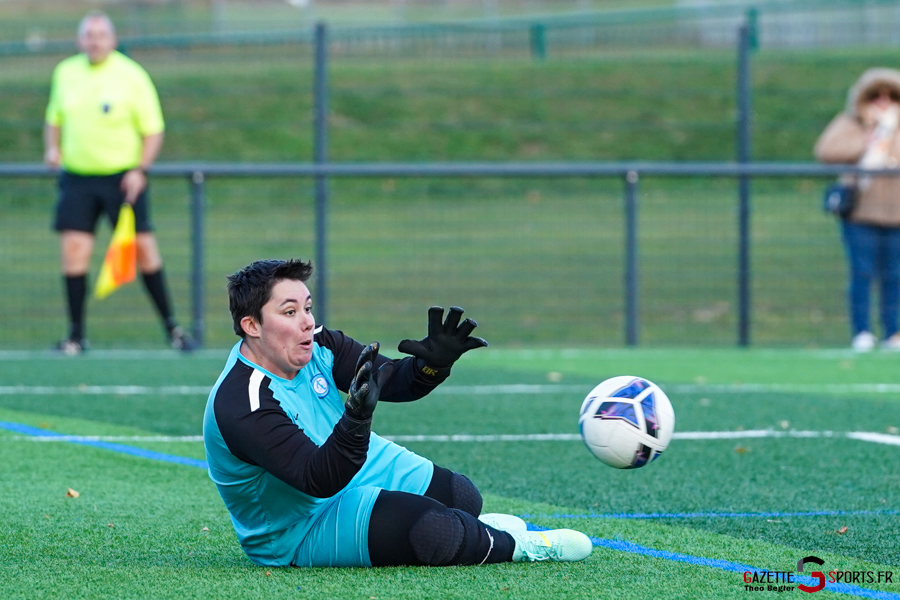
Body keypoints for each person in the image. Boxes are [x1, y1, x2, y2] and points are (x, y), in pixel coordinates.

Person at [202, 258, 593, 568]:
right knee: (433, 531)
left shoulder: (321, 344)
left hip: (347, 463)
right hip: (300, 525)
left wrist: (432, 365)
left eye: (307, 307)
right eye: (289, 312)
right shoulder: (242, 402)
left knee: (462, 496)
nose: (307, 321)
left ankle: (472, 526)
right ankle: (523, 546)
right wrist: (356, 419)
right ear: (251, 325)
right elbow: (318, 479)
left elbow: (395, 381)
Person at [44, 11, 193, 355]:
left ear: (112, 40)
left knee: (143, 250)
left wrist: (140, 169)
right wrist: (52, 148)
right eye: (89, 35)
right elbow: (54, 118)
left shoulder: (131, 75)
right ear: (80, 40)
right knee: (74, 252)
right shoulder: (65, 72)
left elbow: (153, 130)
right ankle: (76, 336)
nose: (94, 41)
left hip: (123, 181)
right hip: (77, 179)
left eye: (101, 35)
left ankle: (173, 329)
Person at [815, 67, 900, 352]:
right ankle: (862, 332)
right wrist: (870, 138)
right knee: (862, 273)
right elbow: (827, 150)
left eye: (891, 96)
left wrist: (890, 133)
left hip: (897, 214)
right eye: (876, 96)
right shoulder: (852, 122)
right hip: (860, 214)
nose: (884, 102)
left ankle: (893, 332)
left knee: (895, 276)